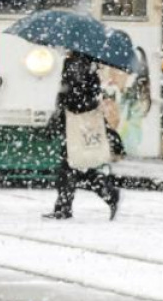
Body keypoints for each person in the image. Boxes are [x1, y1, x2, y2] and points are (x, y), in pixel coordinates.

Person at [43, 51, 120, 221]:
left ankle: (104, 194)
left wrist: (60, 112)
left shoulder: (74, 63)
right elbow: (88, 94)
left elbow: (69, 94)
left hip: (75, 121)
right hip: (80, 120)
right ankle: (104, 193)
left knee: (71, 165)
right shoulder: (90, 64)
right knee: (77, 165)